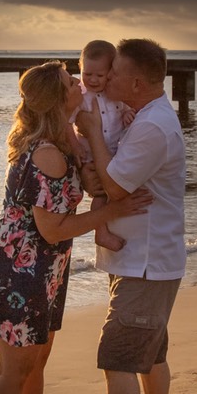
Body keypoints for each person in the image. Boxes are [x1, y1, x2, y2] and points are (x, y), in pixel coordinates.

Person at [0, 61, 153, 394]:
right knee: (14, 370)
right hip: (20, 269)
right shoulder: (47, 153)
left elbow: (89, 176)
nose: (80, 85)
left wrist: (111, 129)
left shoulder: (61, 137)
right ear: (59, 98)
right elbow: (53, 228)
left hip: (43, 267)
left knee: (36, 362)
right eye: (72, 82)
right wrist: (109, 212)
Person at [69, 38, 187, 394]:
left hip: (146, 264)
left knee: (117, 356)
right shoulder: (146, 119)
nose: (106, 78)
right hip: (143, 258)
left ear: (136, 82)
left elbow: (115, 186)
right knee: (150, 353)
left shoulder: (152, 129)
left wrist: (93, 131)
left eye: (114, 72)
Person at [77, 40, 132, 252]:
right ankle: (101, 233)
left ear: (110, 72)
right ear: (80, 67)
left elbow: (124, 107)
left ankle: (112, 227)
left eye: (99, 76)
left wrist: (127, 112)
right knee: (100, 195)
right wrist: (74, 146)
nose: (92, 80)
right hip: (92, 155)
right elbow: (67, 122)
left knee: (114, 192)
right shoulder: (80, 96)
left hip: (115, 153)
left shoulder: (115, 93)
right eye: (87, 74)